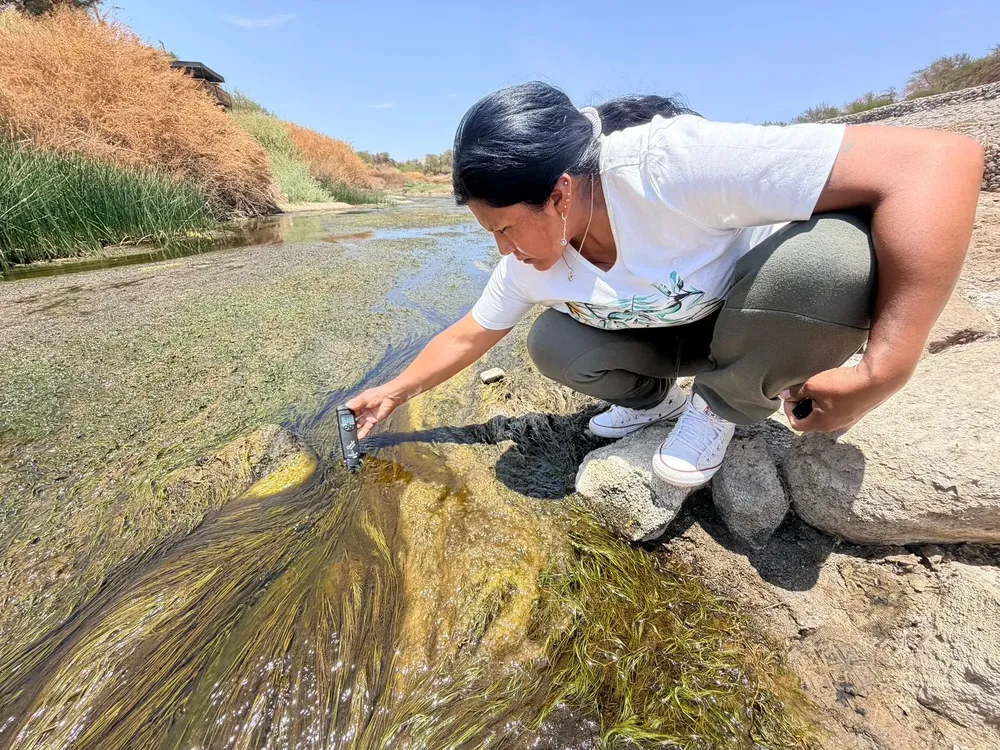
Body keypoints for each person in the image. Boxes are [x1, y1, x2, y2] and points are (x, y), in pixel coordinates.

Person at [347, 82, 983, 488]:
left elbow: (939, 160)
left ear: (560, 193)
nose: (502, 249)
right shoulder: (526, 262)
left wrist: (887, 366)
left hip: (760, 316)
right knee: (554, 343)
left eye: (507, 227)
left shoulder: (669, 167)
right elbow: (469, 334)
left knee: (831, 259)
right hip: (674, 334)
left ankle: (724, 405)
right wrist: (390, 393)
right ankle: (660, 403)